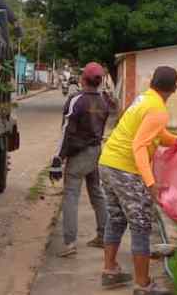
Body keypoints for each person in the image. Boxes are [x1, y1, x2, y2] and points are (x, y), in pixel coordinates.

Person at [97, 66, 177, 294]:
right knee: (140, 225)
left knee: (117, 218)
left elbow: (156, 134)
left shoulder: (144, 99)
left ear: (152, 82)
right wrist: (150, 183)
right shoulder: (158, 109)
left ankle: (110, 271)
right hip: (125, 169)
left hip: (107, 162)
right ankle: (143, 285)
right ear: (175, 88)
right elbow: (139, 145)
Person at [49, 63, 111, 257]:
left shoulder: (77, 100)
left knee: (71, 196)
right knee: (96, 193)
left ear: (83, 79)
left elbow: (66, 130)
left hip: (78, 155)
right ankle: (104, 236)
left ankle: (70, 243)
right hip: (95, 152)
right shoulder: (104, 101)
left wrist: (57, 158)